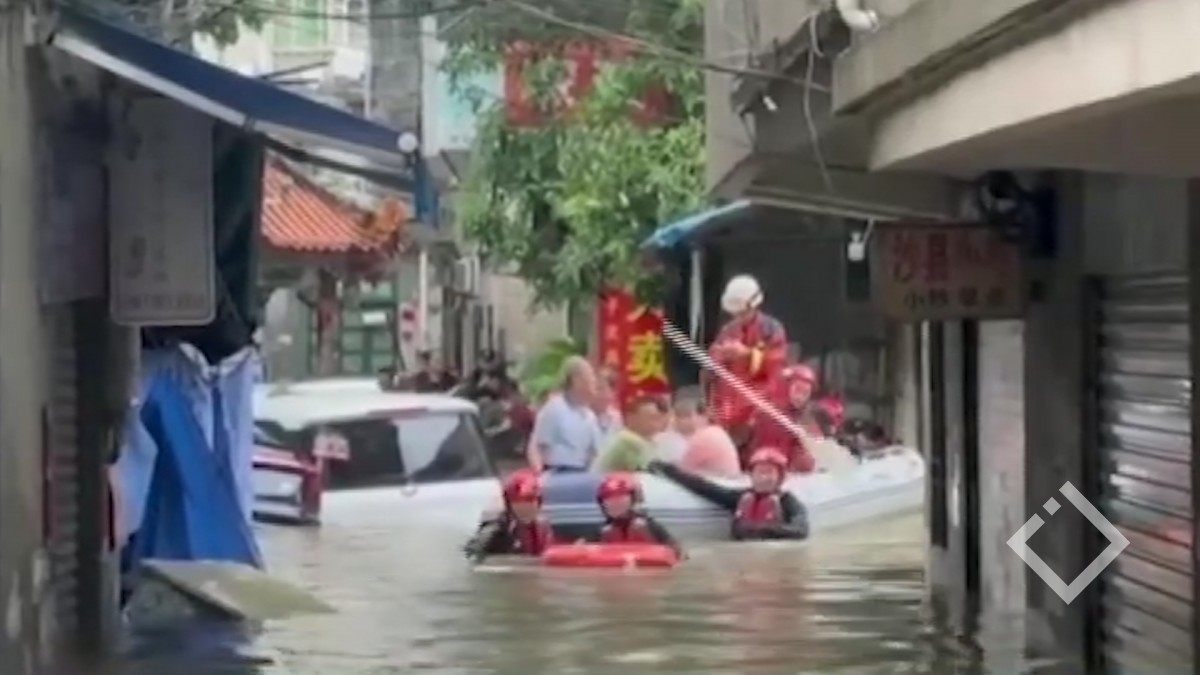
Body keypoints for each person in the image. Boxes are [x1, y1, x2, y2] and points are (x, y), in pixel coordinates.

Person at [650, 448, 809, 541]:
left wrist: (763, 530)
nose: (763, 478)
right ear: (751, 475)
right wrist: (668, 470)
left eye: (769, 473)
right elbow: (705, 488)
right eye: (759, 472)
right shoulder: (740, 498)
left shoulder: (788, 502)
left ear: (780, 478)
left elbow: (801, 530)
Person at [707, 275, 788, 449]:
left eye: (742, 313)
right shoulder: (728, 330)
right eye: (735, 313)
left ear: (754, 305)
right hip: (731, 398)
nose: (738, 316)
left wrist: (747, 354)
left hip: (762, 395)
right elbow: (714, 356)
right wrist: (722, 354)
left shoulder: (771, 329)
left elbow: (777, 360)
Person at [749, 363, 834, 473]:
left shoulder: (806, 418)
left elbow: (819, 451)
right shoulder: (769, 416)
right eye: (797, 390)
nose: (800, 397)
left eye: (805, 393)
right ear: (785, 388)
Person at [527, 356, 603, 473]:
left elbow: (595, 452)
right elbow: (539, 447)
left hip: (582, 472)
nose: (593, 382)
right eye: (589, 377)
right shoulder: (554, 408)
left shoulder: (590, 416)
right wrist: (540, 474)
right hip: (556, 471)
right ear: (576, 380)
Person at [463, 469, 556, 561]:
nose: (526, 508)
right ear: (509, 504)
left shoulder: (542, 526)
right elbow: (471, 555)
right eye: (518, 503)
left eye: (531, 501)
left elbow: (545, 556)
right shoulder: (497, 528)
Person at [595, 472, 683, 556]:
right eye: (609, 499)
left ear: (631, 501)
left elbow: (678, 553)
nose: (615, 503)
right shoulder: (602, 532)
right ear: (603, 505)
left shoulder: (649, 526)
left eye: (621, 498)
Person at [673, 396, 742, 478]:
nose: (680, 421)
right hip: (726, 482)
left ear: (703, 416)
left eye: (686, 416)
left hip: (720, 484)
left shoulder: (703, 437)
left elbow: (683, 470)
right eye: (679, 417)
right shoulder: (716, 431)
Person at [594, 395, 668, 472]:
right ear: (631, 418)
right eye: (650, 417)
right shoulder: (627, 440)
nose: (655, 423)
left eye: (657, 417)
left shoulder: (652, 442)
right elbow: (644, 473)